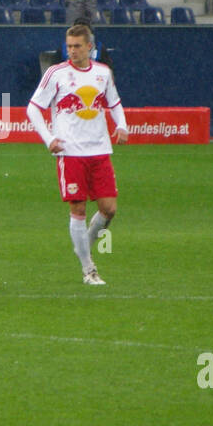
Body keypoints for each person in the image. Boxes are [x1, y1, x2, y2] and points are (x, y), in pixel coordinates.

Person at [27, 23, 127, 286]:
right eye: (69, 46)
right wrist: (49, 139)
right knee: (78, 208)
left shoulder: (103, 73)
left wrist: (122, 125)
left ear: (89, 47)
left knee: (109, 209)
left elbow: (114, 102)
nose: (72, 51)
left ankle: (83, 245)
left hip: (100, 150)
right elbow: (33, 109)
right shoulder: (55, 73)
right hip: (70, 153)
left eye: (77, 46)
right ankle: (88, 269)